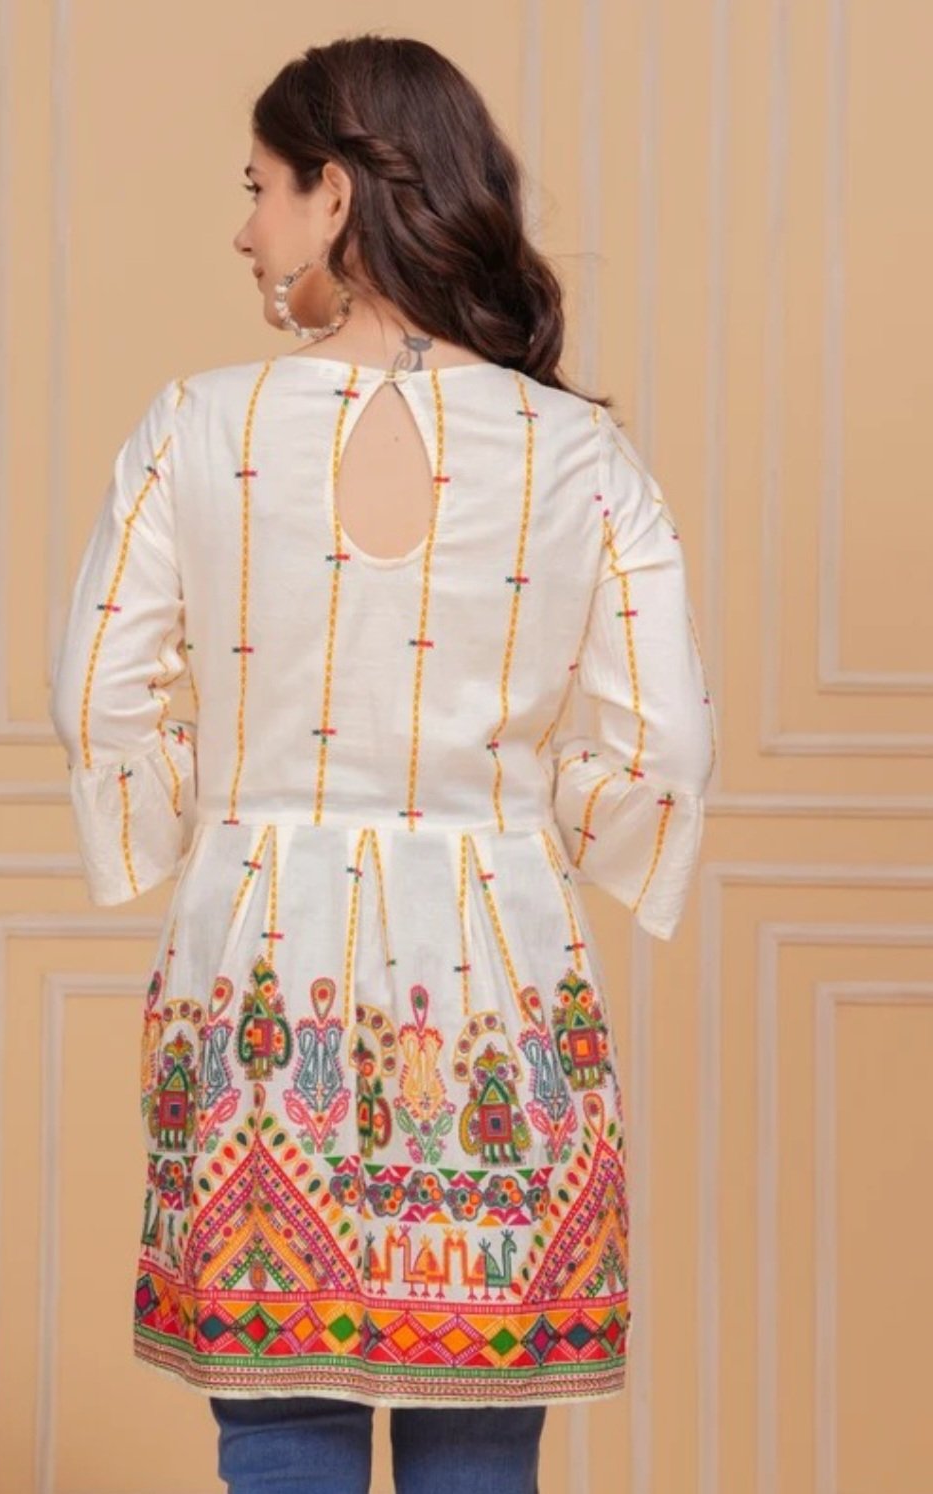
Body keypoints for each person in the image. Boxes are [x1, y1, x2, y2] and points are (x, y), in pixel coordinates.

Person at [48, 31, 717, 1494]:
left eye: (260, 188)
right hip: (495, 988)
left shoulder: (197, 426)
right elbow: (660, 743)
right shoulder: (578, 455)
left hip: (260, 978)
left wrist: (219, 792)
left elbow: (98, 691)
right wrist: (521, 806)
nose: (244, 229)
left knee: (276, 1429)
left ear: (335, 196)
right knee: (481, 1440)